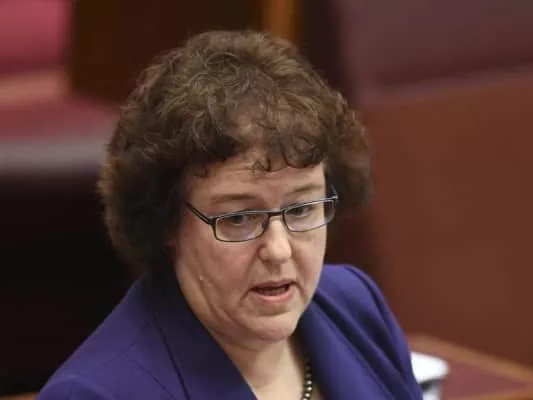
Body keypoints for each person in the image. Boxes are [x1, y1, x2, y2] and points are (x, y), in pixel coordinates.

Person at [37, 30, 422, 399]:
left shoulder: (355, 307)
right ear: (167, 222)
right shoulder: (95, 394)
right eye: (239, 218)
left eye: (302, 208)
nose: (278, 250)